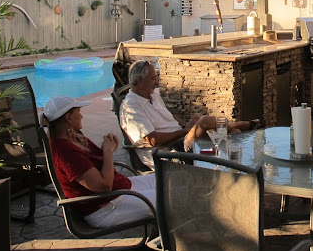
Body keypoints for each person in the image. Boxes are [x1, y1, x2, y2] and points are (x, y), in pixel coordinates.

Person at [120, 59, 258, 169]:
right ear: (140, 81)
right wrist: (187, 130)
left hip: (182, 140)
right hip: (170, 152)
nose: (156, 82)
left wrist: (185, 124)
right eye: (153, 78)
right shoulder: (131, 107)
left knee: (233, 132)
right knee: (204, 122)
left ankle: (235, 172)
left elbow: (168, 117)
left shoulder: (153, 95)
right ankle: (242, 125)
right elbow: (153, 140)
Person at [43, 96, 155, 228]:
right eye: (78, 112)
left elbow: (97, 162)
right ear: (68, 117)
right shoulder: (65, 151)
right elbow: (103, 186)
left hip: (121, 190)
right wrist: (108, 151)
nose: (81, 116)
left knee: (168, 178)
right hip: (107, 208)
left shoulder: (76, 138)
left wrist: (107, 145)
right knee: (170, 196)